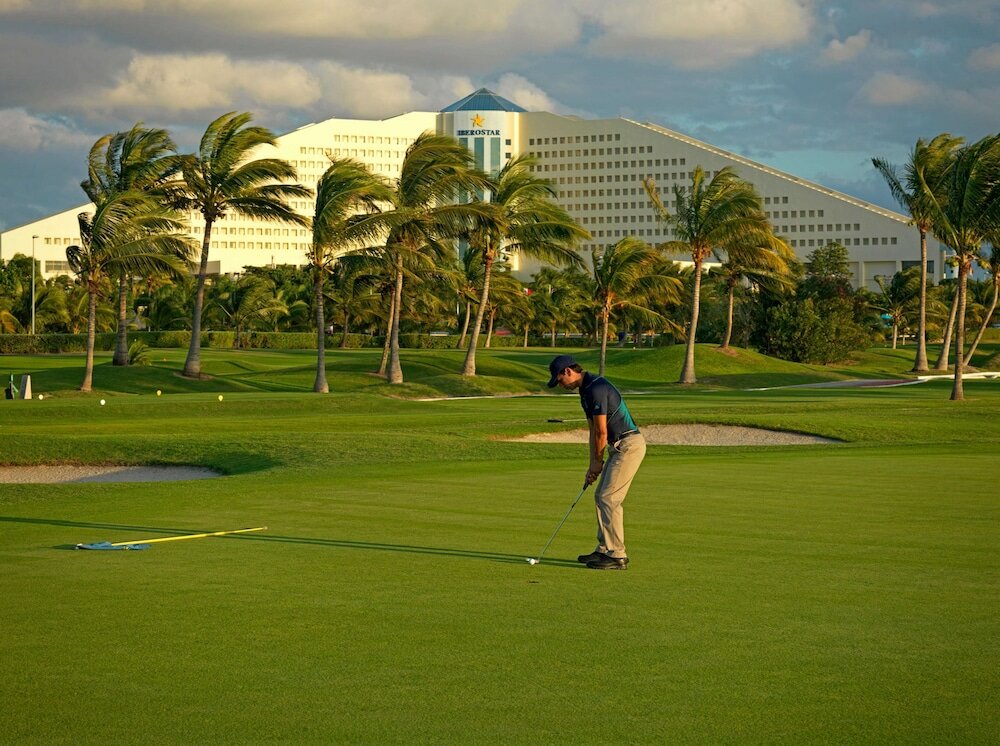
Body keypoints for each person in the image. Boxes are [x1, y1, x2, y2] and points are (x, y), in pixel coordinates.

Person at [547, 354, 646, 570]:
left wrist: (598, 462)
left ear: (568, 371)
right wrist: (592, 464)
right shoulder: (585, 392)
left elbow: (602, 431)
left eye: (560, 380)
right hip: (617, 447)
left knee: (608, 498)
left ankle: (617, 555)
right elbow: (593, 432)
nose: (560, 385)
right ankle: (604, 549)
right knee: (601, 496)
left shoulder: (596, 388)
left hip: (628, 445)